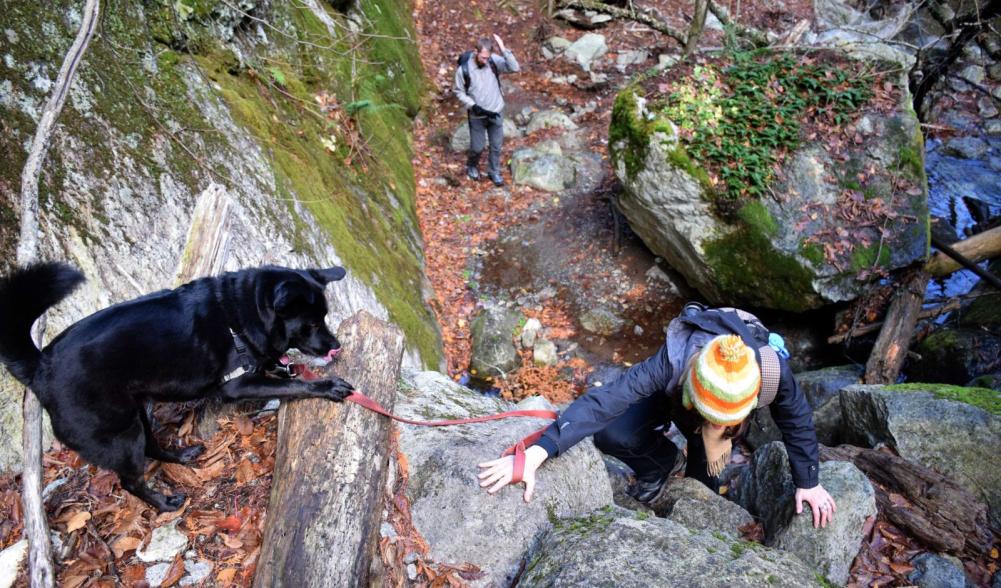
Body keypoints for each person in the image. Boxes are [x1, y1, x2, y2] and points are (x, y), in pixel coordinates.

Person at [477, 304, 838, 529]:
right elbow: (606, 400)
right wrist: (539, 452)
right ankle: (662, 463)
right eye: (711, 415)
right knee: (610, 432)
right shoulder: (672, 360)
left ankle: (700, 469)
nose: (714, 421)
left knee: (703, 484)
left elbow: (797, 420)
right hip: (677, 399)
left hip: (712, 418)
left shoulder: (772, 373)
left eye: (723, 418)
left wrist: (808, 480)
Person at [454, 35, 520, 187]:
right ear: (475, 51)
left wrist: (503, 49)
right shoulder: (464, 69)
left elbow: (514, 68)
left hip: (496, 110)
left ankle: (494, 171)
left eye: (487, 57)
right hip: (477, 114)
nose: (485, 61)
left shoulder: (493, 61)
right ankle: (472, 165)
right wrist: (472, 105)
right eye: (483, 57)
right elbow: (458, 91)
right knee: (478, 147)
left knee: (496, 146)